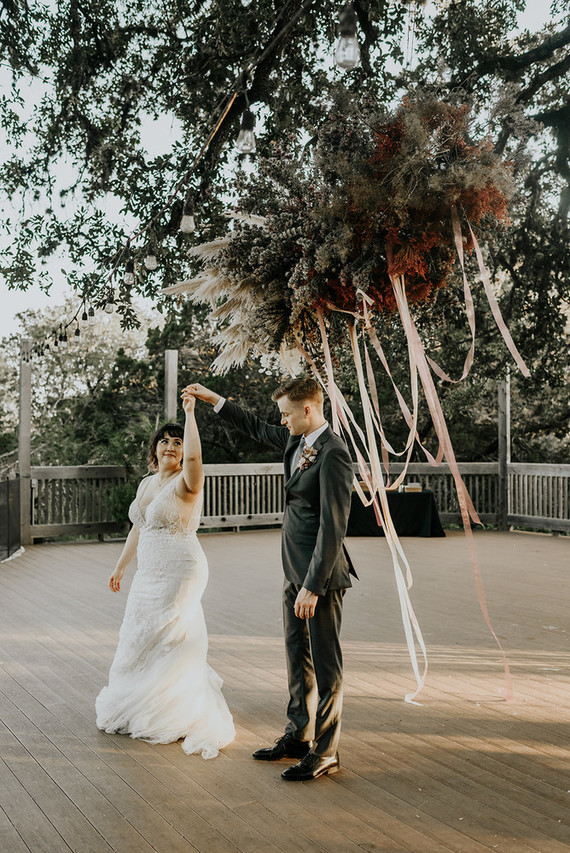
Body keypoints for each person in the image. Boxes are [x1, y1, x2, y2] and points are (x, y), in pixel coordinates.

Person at [186, 377, 356, 781]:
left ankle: (326, 751)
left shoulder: (334, 453)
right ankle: (298, 734)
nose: (281, 421)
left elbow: (333, 526)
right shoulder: (296, 441)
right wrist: (212, 399)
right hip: (293, 570)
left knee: (326, 666)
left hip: (320, 578)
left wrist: (312, 586)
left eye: (286, 414)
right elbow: (254, 426)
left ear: (308, 410)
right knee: (297, 657)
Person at [95, 390, 235, 759]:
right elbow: (139, 527)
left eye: (176, 442)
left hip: (180, 570)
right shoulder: (147, 483)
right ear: (155, 449)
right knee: (140, 634)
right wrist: (121, 565)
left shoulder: (187, 482)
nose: (170, 447)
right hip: (148, 573)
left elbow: (196, 458)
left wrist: (190, 415)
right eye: (164, 441)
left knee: (171, 636)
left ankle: (173, 710)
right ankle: (140, 703)